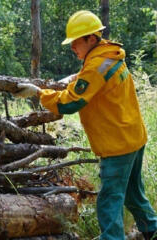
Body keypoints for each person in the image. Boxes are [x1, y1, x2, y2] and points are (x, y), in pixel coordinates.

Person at [13, 10, 157, 240]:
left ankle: (113, 238)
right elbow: (92, 77)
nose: (72, 47)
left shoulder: (96, 66)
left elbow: (72, 103)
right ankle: (151, 227)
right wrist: (74, 78)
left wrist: (40, 94)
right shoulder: (110, 55)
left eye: (76, 41)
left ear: (92, 38)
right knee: (132, 192)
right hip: (134, 136)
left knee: (109, 199)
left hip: (117, 145)